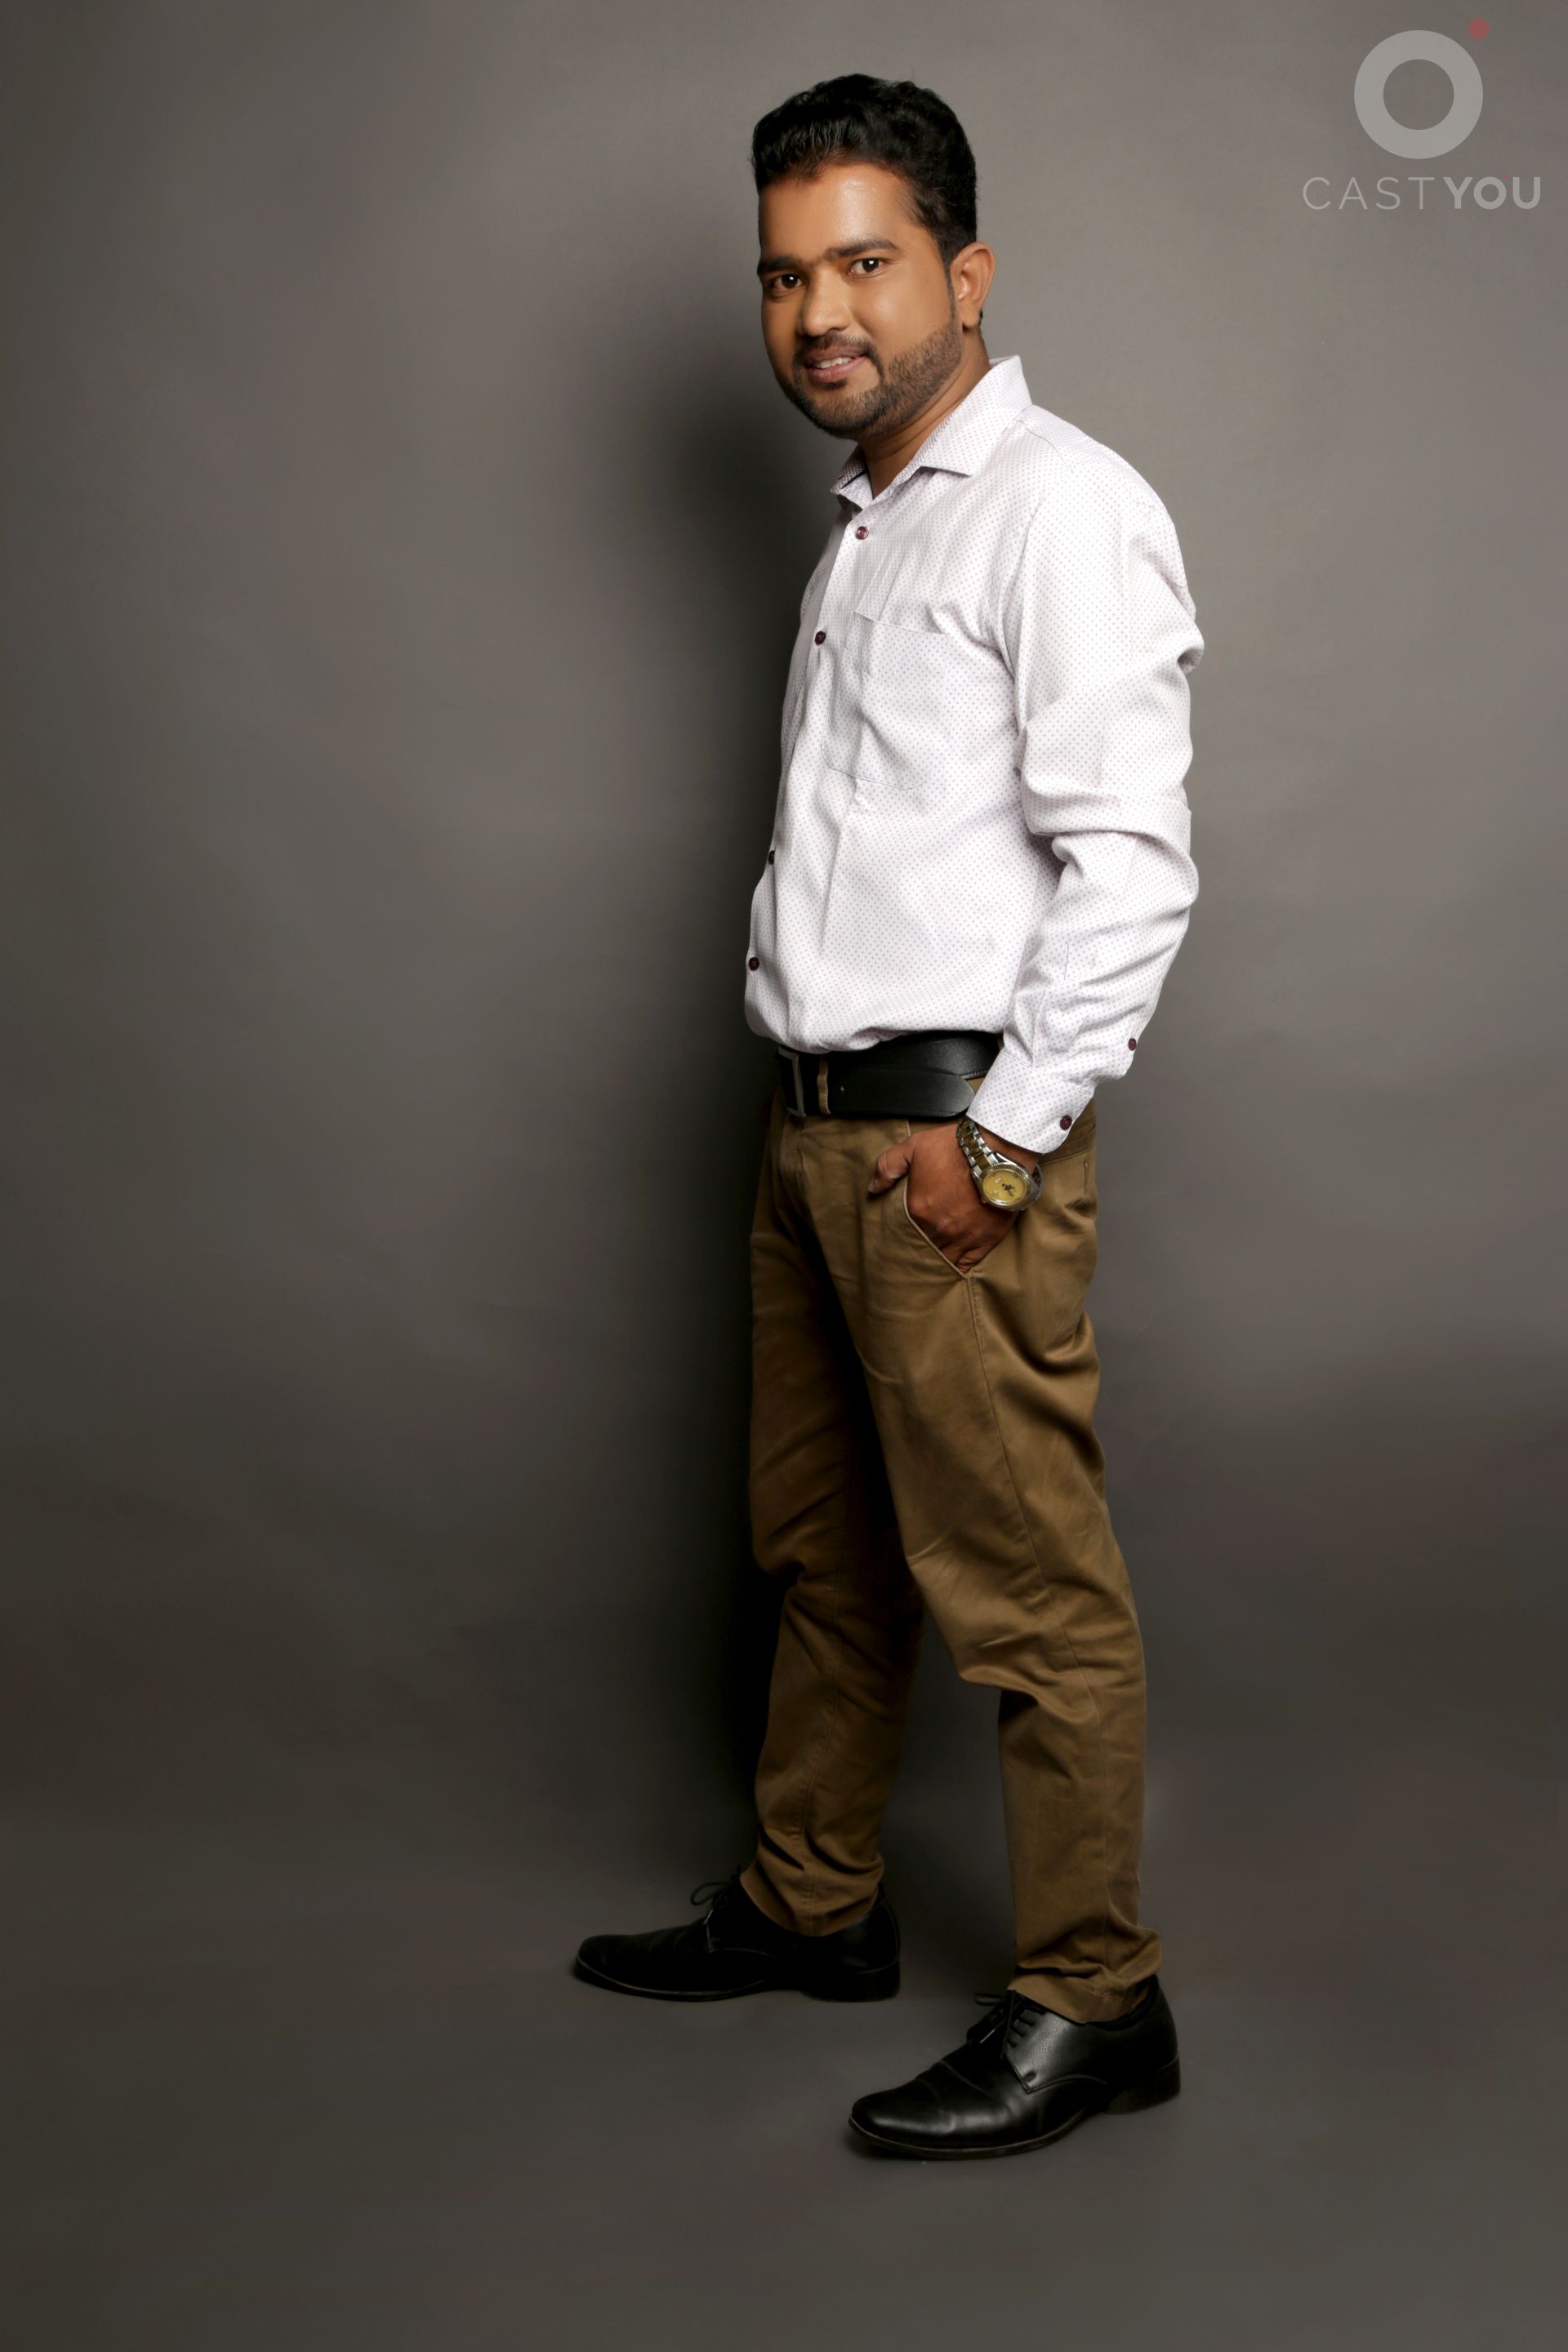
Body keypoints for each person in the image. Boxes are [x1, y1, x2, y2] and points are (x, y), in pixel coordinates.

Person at [574, 72, 1205, 2159]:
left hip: (952, 1146)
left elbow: (1134, 867)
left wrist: (1002, 1139)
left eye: (864, 262)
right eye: (784, 276)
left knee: (1027, 1592)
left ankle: (1097, 1996)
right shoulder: (872, 522)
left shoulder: (1059, 509)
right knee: (822, 1554)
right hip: (813, 1136)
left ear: (967, 272)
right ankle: (815, 1900)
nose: (819, 312)